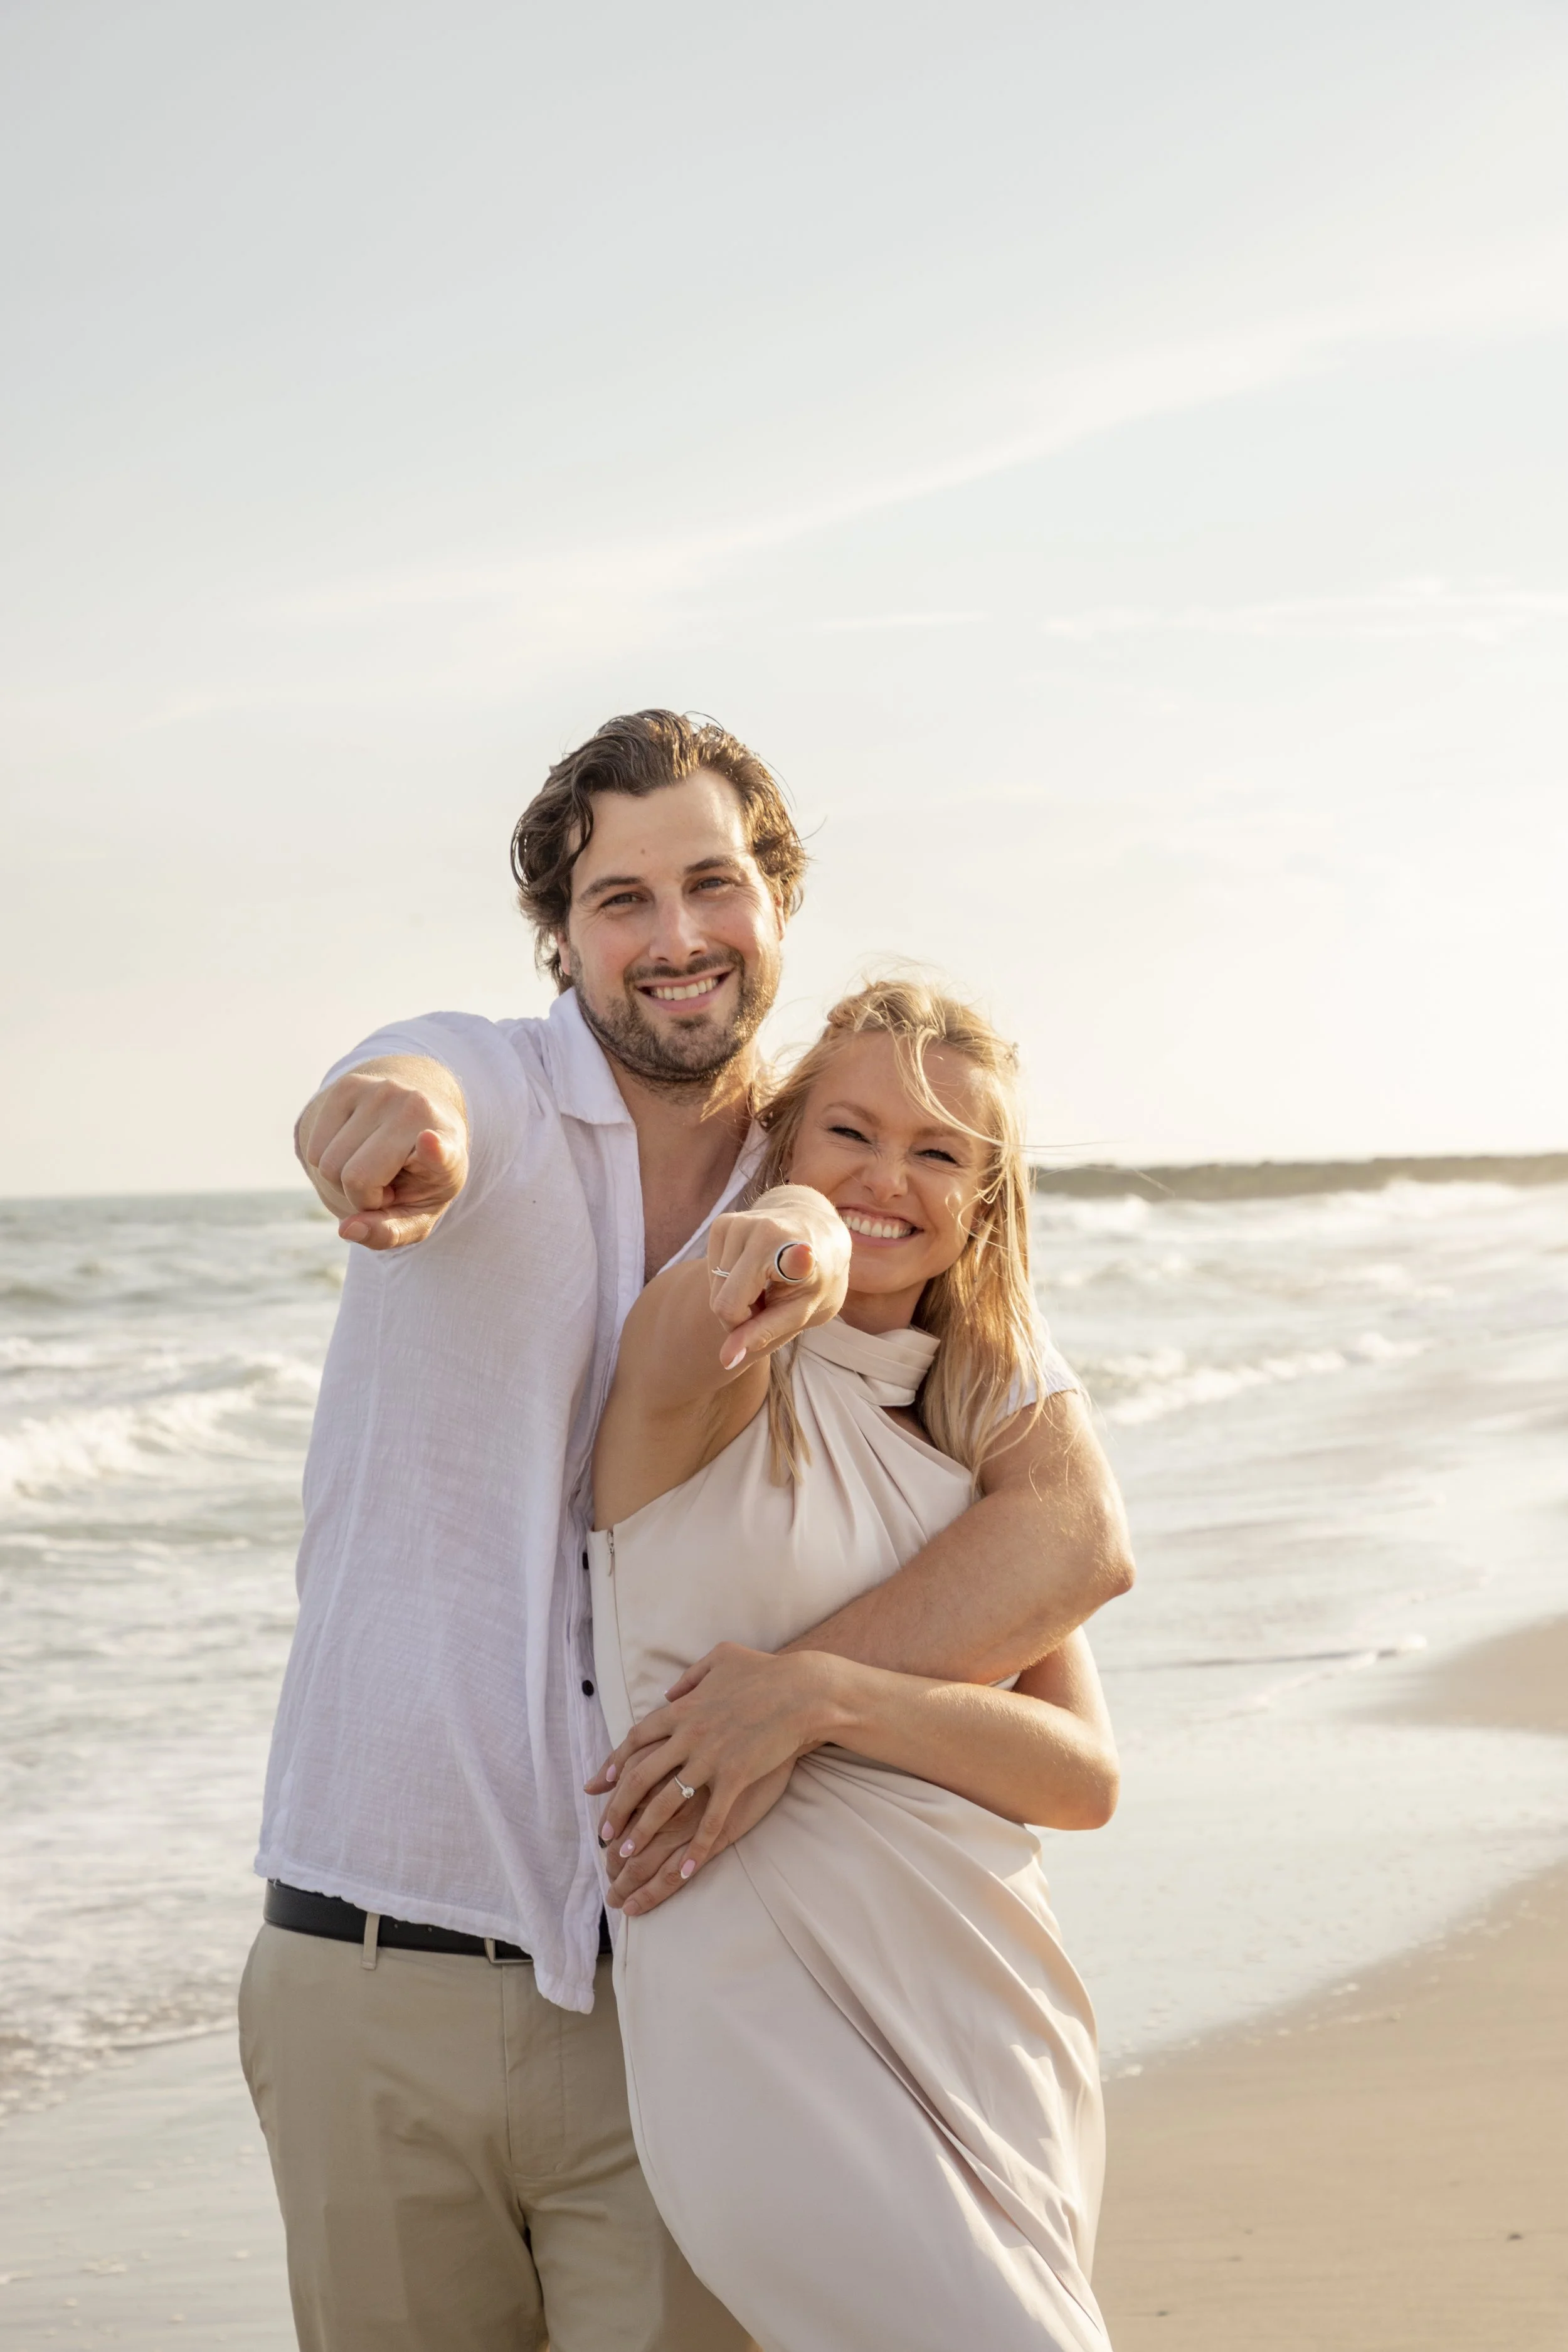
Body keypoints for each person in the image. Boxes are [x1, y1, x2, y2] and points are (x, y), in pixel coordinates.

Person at [240, 709, 1135, 2352]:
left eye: (712, 884)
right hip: (376, 1966)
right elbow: (404, 1082)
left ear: (777, 903)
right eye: (619, 899)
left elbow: (1072, 1521)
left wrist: (787, 1695)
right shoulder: (492, 1086)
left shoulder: (838, 1172)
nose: (673, 937)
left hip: (672, 2000)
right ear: (560, 935)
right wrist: (378, 1120)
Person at [585, 978, 1116, 2351]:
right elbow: (732, 1275)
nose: (890, 1176)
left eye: (939, 1152)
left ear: (983, 1204)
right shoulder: (700, 1373)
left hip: (988, 2005)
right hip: (760, 2024)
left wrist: (820, 1697)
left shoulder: (970, 1453)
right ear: (780, 1147)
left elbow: (1078, 1779)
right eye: (847, 1134)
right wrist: (793, 1223)